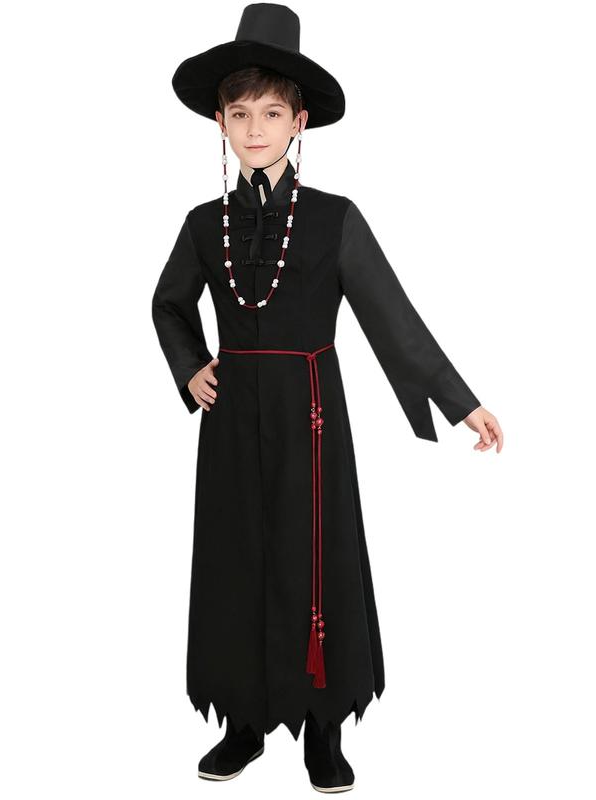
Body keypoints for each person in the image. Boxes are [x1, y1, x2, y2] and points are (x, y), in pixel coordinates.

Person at [153, 3, 503, 793]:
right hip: (231, 418)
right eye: (240, 114)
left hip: (311, 413)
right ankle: (243, 725)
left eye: (271, 113)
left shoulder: (334, 220)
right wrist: (191, 366)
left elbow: (393, 318)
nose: (255, 129)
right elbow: (168, 304)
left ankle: (323, 728)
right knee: (236, 555)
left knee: (315, 557)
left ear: (300, 120)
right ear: (219, 122)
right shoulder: (204, 225)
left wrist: (460, 402)